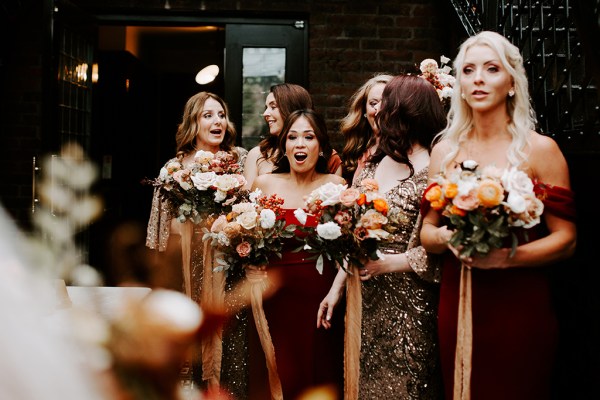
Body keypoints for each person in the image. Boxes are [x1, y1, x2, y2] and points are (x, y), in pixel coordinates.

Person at [419, 31, 577, 400]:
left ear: (510, 83)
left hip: (520, 301)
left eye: (491, 69)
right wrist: (447, 237)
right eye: (469, 70)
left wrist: (506, 257)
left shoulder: (540, 151)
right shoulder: (444, 152)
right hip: (460, 295)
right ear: (458, 85)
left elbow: (566, 239)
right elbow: (427, 232)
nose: (478, 79)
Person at [317, 74, 447, 399]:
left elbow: (445, 248)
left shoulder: (436, 168)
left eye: (386, 103)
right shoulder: (375, 164)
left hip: (411, 304)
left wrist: (390, 264)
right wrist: (336, 289)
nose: (377, 111)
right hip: (365, 300)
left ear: (408, 110)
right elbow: (356, 233)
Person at [145, 91, 249, 398]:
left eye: (221, 115)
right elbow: (159, 229)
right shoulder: (174, 169)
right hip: (185, 265)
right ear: (194, 122)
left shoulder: (240, 161)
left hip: (227, 266)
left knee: (227, 340)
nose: (217, 121)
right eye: (208, 115)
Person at [249, 109, 346, 399]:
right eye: (292, 137)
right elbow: (244, 239)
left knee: (318, 370)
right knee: (277, 371)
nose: (300, 144)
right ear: (284, 146)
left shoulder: (336, 187)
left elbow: (350, 246)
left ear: (321, 146)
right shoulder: (264, 185)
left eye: (308, 136)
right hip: (273, 297)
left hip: (321, 297)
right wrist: (248, 265)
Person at [243, 83, 342, 189]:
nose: (266, 113)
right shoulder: (257, 154)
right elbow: (247, 202)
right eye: (266, 107)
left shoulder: (329, 158)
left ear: (292, 109)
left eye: (273, 107)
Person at [339, 73, 393, 184]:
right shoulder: (357, 149)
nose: (379, 109)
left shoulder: (402, 151)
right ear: (364, 110)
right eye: (373, 103)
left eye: (386, 103)